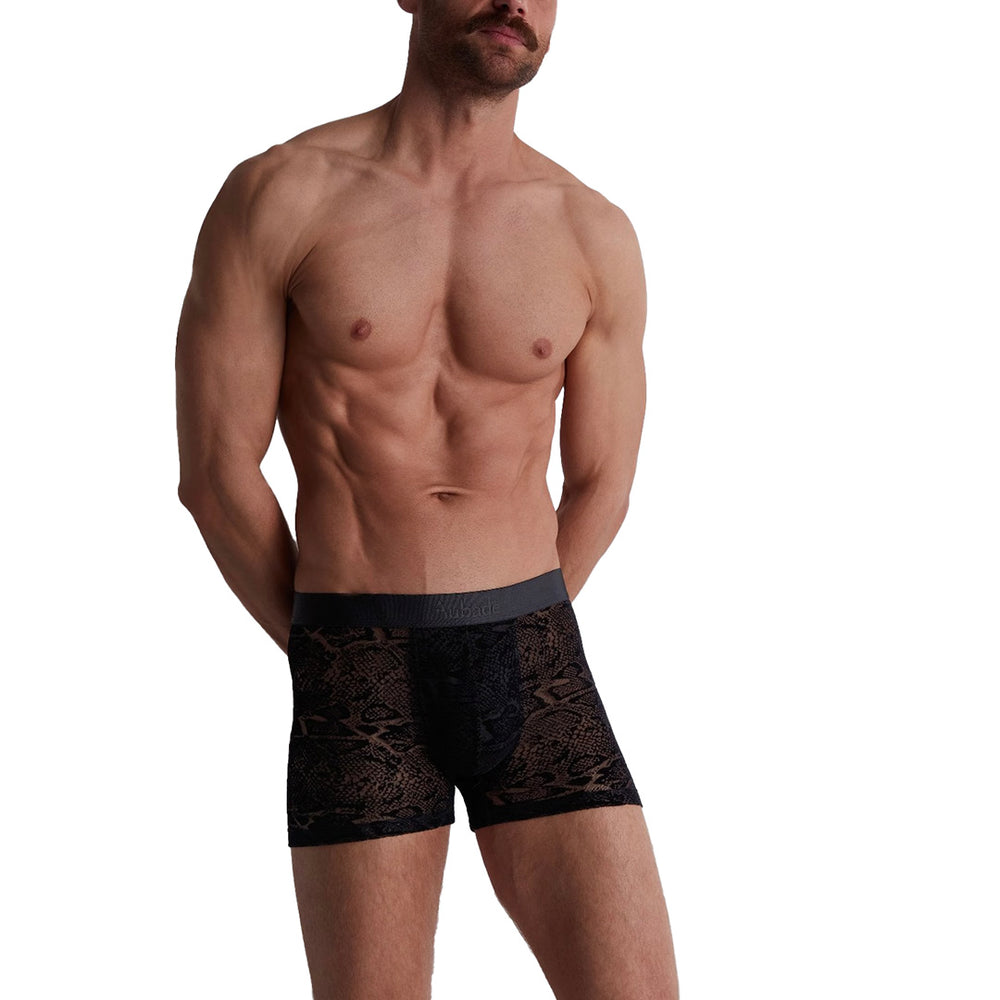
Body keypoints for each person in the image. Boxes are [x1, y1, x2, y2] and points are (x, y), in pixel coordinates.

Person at [175, 1, 680, 997]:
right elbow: (216, 472)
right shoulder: (281, 193)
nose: (515, 2)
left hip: (532, 660)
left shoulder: (591, 229)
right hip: (352, 662)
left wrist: (517, 632)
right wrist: (331, 648)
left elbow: (602, 481)